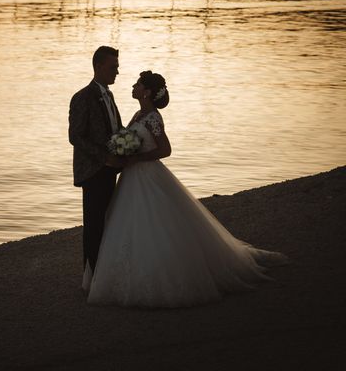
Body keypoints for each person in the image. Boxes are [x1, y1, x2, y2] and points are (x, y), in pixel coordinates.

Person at [87, 71, 288, 308]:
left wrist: (137, 158)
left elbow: (165, 150)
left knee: (155, 224)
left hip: (147, 175)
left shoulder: (153, 117)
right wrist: (124, 150)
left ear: (148, 92)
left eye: (138, 84)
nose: (133, 85)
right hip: (132, 177)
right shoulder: (138, 114)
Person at [68, 46, 126, 291]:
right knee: (93, 226)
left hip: (110, 169)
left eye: (117, 66)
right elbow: (75, 136)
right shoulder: (82, 97)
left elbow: (116, 129)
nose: (117, 71)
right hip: (93, 171)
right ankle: (90, 280)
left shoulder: (109, 96)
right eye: (113, 67)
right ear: (98, 66)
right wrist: (104, 158)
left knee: (108, 223)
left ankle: (105, 274)